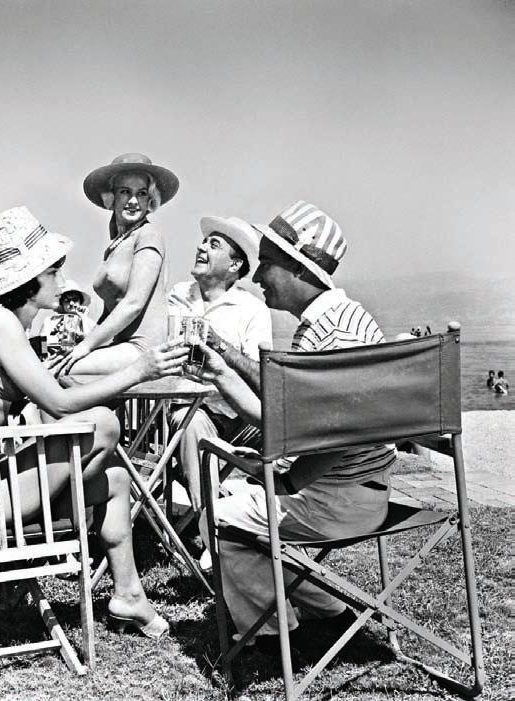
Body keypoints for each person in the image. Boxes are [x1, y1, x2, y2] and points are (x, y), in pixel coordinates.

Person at [0, 206, 188, 639]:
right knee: (102, 424)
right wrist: (139, 370)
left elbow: (47, 396)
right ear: (29, 281)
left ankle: (128, 595)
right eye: (54, 271)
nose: (64, 281)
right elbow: (61, 405)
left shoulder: (1, 324)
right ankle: (85, 541)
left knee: (116, 479)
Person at [194, 200, 396, 648]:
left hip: (339, 501)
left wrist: (288, 481)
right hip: (359, 490)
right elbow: (293, 404)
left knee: (219, 518)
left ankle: (272, 636)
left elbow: (332, 432)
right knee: (232, 495)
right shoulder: (338, 320)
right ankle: (329, 611)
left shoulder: (332, 336)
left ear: (300, 269)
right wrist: (224, 362)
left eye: (267, 263)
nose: (257, 277)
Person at [167, 216, 272, 568]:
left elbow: (263, 376)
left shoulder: (251, 308)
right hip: (190, 409)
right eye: (203, 242)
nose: (201, 247)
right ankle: (214, 534)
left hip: (239, 415)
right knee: (191, 422)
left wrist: (221, 346)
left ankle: (284, 522)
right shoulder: (178, 296)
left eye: (213, 245)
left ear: (234, 265)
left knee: (283, 425)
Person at [58, 153, 179, 378]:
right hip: (121, 345)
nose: (133, 201)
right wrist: (85, 341)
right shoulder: (118, 243)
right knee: (52, 361)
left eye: (141, 193)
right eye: (125, 192)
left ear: (150, 200)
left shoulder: (149, 235)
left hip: (144, 349)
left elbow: (133, 303)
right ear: (111, 197)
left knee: (57, 371)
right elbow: (110, 310)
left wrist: (85, 348)